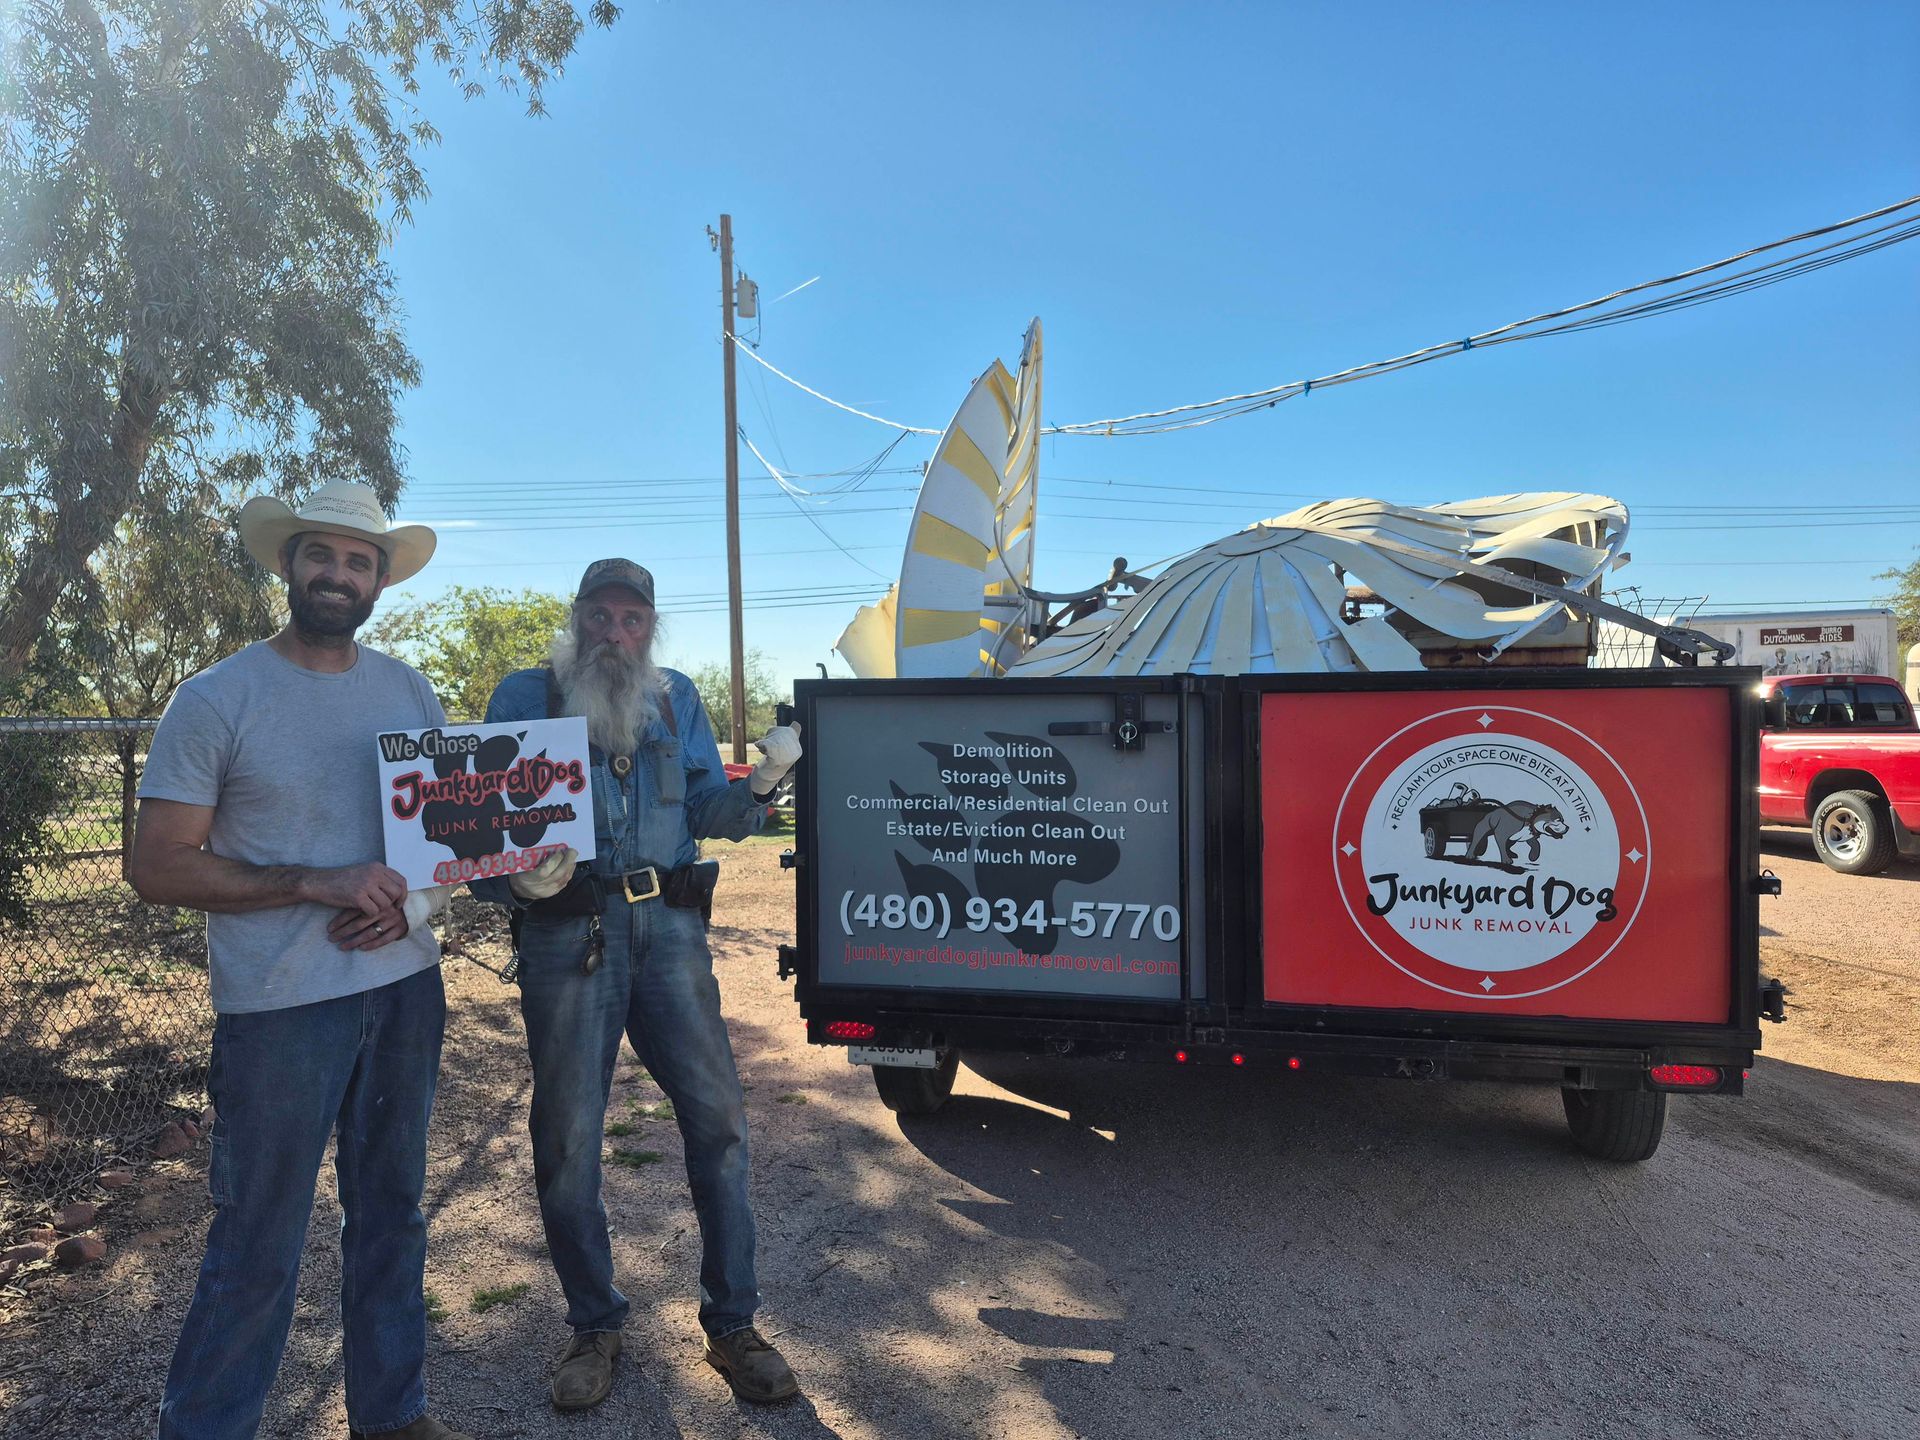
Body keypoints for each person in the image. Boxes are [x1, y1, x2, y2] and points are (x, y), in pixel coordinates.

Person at [130, 482, 467, 1440]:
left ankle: (393, 1417)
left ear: (379, 583)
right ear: (287, 563)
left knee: (393, 1216)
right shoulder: (216, 698)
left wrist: (415, 905)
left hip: (404, 990)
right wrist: (315, 881)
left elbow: (451, 841)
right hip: (280, 1010)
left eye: (359, 562)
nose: (338, 575)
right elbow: (157, 866)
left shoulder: (410, 691)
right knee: (259, 1239)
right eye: (321, 554)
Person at [474, 558, 803, 1410]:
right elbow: (474, 831)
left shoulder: (676, 698)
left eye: (632, 619)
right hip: (567, 935)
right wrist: (514, 882)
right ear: (575, 618)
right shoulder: (524, 698)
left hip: (671, 932)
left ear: (650, 627)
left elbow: (707, 812)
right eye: (600, 616)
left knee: (719, 1123)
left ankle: (733, 1325)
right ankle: (595, 1325)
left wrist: (765, 782)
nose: (614, 634)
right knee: (567, 1140)